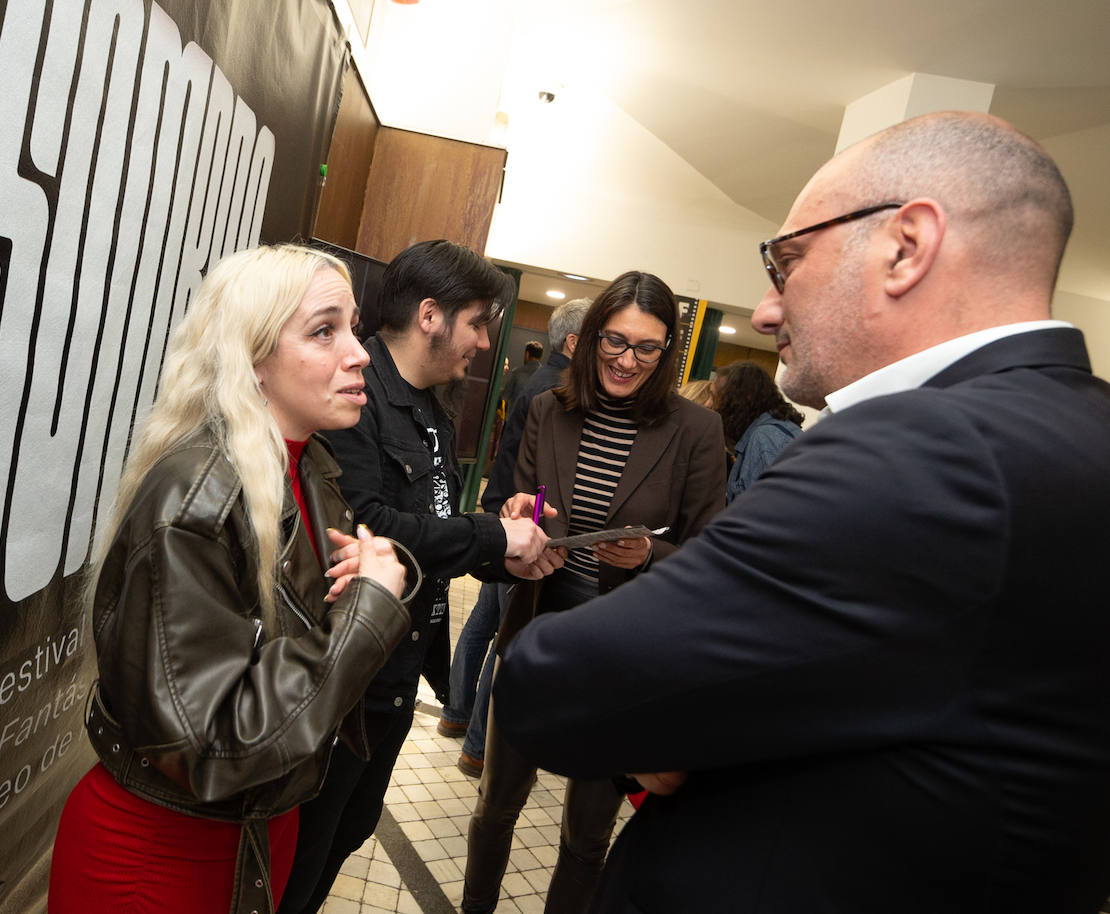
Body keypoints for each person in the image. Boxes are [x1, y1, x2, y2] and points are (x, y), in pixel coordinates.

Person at [494, 111, 1110, 913]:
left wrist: (675, 730)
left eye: (788, 262)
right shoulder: (1083, 430)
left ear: (906, 247)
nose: (767, 311)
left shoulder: (920, 447)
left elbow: (555, 685)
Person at [47, 244, 414, 914]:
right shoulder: (197, 498)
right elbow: (210, 746)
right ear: (253, 359)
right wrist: (365, 614)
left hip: (257, 832)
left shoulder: (308, 467)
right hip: (159, 858)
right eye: (324, 330)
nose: (359, 353)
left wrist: (371, 579)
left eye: (353, 328)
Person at [280, 239, 561, 914]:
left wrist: (506, 543)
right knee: (303, 854)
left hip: (399, 670)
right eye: (479, 323)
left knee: (349, 832)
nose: (487, 343)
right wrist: (492, 533)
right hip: (348, 679)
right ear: (431, 316)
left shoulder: (435, 405)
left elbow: (430, 524)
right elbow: (370, 527)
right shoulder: (356, 397)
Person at [462, 272, 726, 914]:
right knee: (495, 809)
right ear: (591, 335)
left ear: (669, 353)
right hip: (535, 641)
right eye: (615, 340)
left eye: (647, 348)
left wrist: (647, 555)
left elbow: (713, 556)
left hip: (623, 665)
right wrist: (516, 516)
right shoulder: (549, 408)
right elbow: (506, 505)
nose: (626, 360)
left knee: (586, 839)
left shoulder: (694, 432)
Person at [439, 297, 592, 782]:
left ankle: (455, 710)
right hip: (526, 527)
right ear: (574, 342)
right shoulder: (562, 392)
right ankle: (479, 746)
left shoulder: (527, 379)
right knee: (506, 639)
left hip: (504, 513)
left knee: (483, 624)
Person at [709, 360, 804, 501]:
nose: (710, 404)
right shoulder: (772, 432)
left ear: (737, 403)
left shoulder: (766, 439)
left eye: (715, 397)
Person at [497, 339, 544, 411]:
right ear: (540, 356)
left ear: (527, 354)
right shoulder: (545, 376)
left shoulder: (517, 373)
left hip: (514, 418)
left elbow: (505, 397)